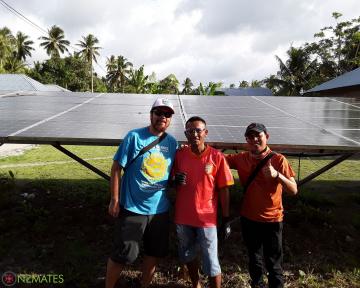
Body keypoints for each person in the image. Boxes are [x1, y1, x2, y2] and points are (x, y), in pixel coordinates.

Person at [105, 98, 178, 288]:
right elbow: (115, 169)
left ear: (170, 119)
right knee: (123, 254)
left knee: (153, 252)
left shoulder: (172, 143)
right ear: (151, 114)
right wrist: (114, 199)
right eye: (159, 113)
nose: (163, 117)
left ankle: (144, 285)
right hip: (132, 207)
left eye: (167, 114)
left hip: (160, 210)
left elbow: (172, 173)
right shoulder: (134, 137)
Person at [226, 123, 298, 288]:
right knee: (254, 259)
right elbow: (215, 157)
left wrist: (277, 175)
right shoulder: (241, 158)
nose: (255, 139)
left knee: (273, 263)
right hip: (249, 218)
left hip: (273, 220)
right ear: (246, 140)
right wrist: (195, 147)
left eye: (258, 135)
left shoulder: (278, 159)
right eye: (250, 137)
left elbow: (293, 190)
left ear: (267, 136)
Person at [172, 116, 234, 288]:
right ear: (186, 134)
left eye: (198, 130)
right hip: (183, 217)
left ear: (205, 132)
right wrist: (174, 180)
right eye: (190, 131)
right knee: (187, 255)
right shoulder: (179, 155)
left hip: (207, 220)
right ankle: (196, 284)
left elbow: (224, 189)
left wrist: (226, 218)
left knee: (211, 261)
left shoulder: (217, 157)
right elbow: (169, 179)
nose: (194, 134)